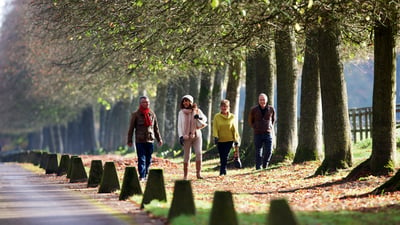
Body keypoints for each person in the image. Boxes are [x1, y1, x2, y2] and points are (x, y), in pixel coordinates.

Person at [127, 96, 163, 181]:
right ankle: (142, 176)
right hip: (140, 140)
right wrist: (129, 140)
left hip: (150, 140)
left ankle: (146, 174)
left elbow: (156, 128)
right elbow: (131, 128)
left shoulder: (152, 114)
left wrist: (159, 139)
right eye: (144, 102)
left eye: (147, 102)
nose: (146, 104)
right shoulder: (136, 115)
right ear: (140, 103)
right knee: (141, 158)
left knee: (148, 159)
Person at [177, 95, 207, 180]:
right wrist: (180, 136)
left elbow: (205, 119)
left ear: (191, 102)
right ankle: (185, 175)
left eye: (187, 101)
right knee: (187, 156)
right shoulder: (181, 113)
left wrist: (199, 117)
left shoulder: (197, 110)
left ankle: (198, 173)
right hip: (186, 137)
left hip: (196, 135)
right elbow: (179, 126)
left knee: (198, 153)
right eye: (184, 101)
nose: (185, 103)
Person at [212, 99, 241, 176]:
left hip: (229, 139)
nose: (224, 108)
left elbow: (234, 128)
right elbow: (215, 127)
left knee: (225, 155)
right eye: (223, 106)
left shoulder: (232, 117)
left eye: (226, 106)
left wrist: (236, 139)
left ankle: (223, 170)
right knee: (222, 156)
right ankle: (223, 169)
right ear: (220, 107)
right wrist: (215, 136)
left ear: (229, 107)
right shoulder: (217, 117)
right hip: (220, 140)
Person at [248, 93, 276, 170]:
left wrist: (269, 126)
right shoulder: (254, 110)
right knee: (258, 151)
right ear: (258, 100)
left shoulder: (271, 109)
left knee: (269, 151)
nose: (262, 101)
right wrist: (255, 127)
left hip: (268, 133)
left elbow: (273, 119)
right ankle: (258, 167)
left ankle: (265, 164)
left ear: (266, 100)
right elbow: (250, 121)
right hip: (258, 133)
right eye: (260, 100)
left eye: (263, 100)